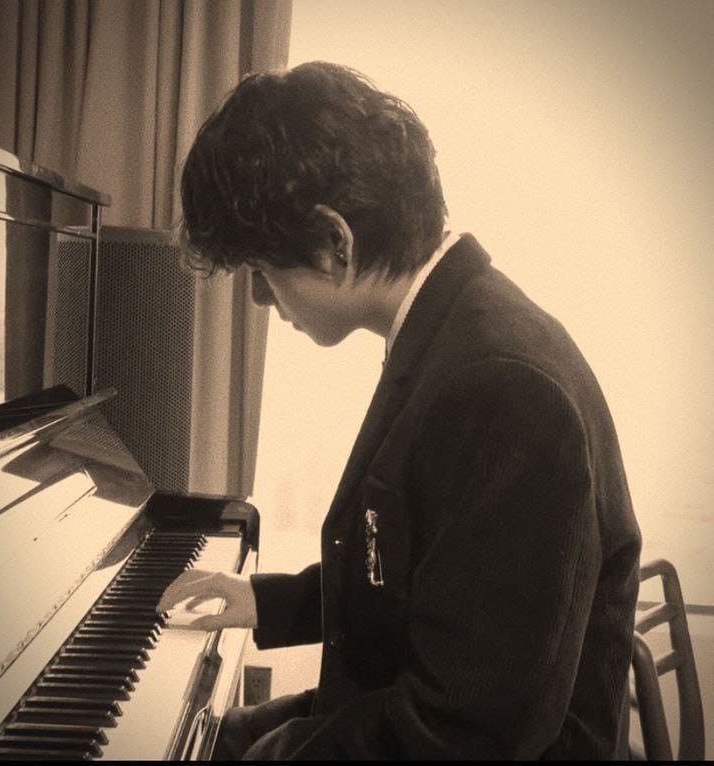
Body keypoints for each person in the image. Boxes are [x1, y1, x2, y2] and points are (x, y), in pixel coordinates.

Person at [157, 61, 641, 759]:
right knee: (218, 737)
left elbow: (471, 730)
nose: (261, 301)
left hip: (466, 738)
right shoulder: (454, 329)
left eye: (262, 272)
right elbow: (426, 572)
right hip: (417, 706)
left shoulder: (502, 386)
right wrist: (271, 601)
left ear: (335, 242)